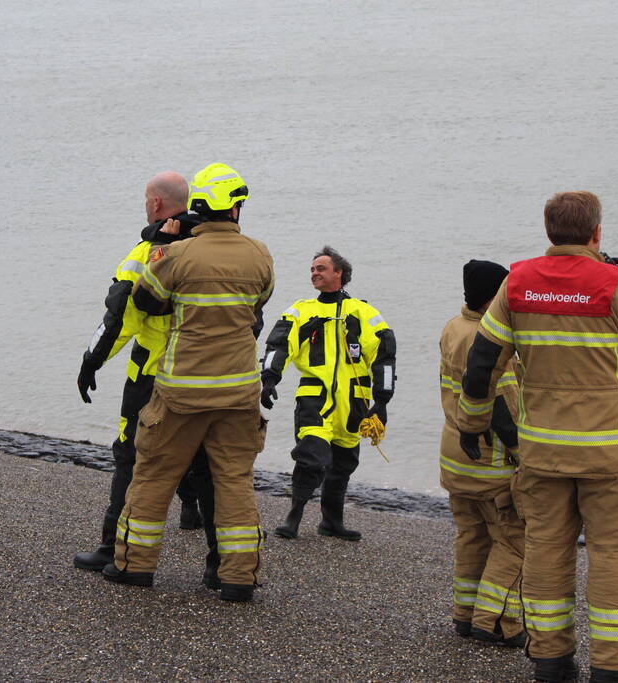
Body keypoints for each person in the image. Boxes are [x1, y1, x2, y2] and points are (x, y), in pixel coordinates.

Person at [456, 191, 618, 683]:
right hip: (611, 455)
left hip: (542, 453)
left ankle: (552, 660)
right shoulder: (614, 282)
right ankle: (616, 668)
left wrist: (473, 425)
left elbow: (481, 365)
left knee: (545, 553)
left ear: (549, 232)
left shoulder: (517, 283)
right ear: (596, 232)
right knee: (613, 557)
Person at [103, 162, 274, 602]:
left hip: (181, 390)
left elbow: (146, 300)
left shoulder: (176, 256)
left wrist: (161, 244)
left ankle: (133, 566)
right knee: (234, 480)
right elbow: (259, 302)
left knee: (155, 474)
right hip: (238, 391)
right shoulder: (260, 255)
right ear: (234, 209)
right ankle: (236, 577)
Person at [74, 171, 212, 574]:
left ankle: (113, 547)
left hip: (151, 373)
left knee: (131, 459)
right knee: (206, 462)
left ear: (155, 204)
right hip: (205, 372)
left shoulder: (148, 251)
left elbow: (120, 317)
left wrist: (91, 361)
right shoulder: (215, 250)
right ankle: (219, 564)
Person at [261, 246, 396, 541]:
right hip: (315, 397)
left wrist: (382, 402)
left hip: (354, 403)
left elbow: (385, 355)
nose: (314, 273)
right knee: (310, 457)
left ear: (340, 273)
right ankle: (293, 518)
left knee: (344, 463)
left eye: (321, 268)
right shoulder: (301, 310)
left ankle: (331, 522)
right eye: (312, 269)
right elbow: (279, 344)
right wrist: (269, 379)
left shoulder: (364, 313)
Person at [438, 260, 525, 647]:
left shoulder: (453, 328)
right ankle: (492, 621)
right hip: (492, 463)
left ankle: (465, 613)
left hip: (456, 454)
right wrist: (527, 454)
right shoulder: (491, 338)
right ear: (494, 296)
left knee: (471, 537)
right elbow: (503, 411)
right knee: (514, 542)